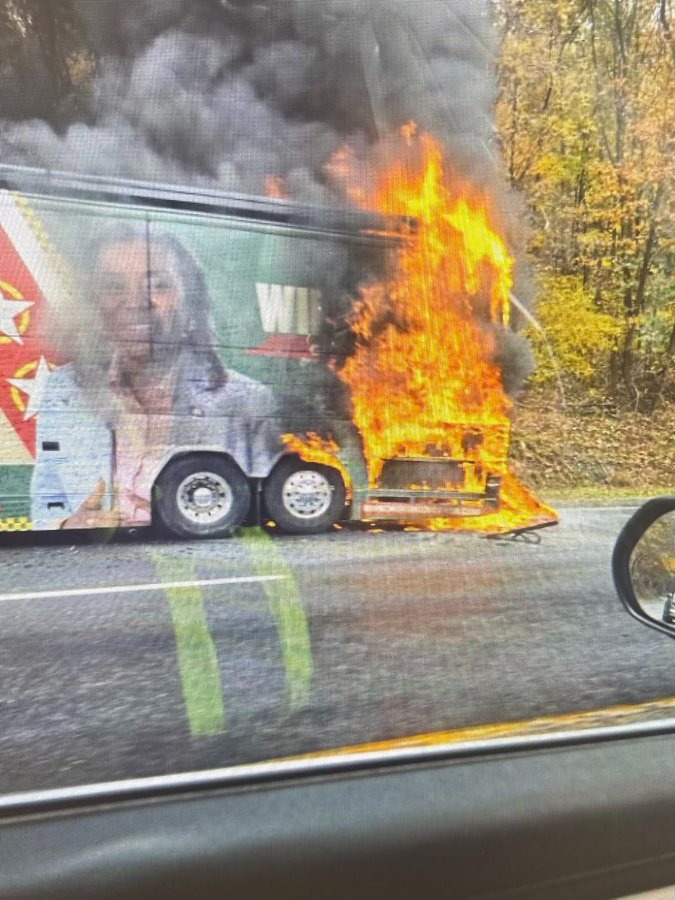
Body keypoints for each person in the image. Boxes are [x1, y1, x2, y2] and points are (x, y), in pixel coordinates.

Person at [32, 225, 282, 529]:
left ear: (190, 302)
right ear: (93, 304)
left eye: (158, 285)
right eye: (113, 287)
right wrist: (65, 525)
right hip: (100, 567)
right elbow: (46, 499)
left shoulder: (246, 400)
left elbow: (269, 508)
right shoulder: (64, 388)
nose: (136, 302)